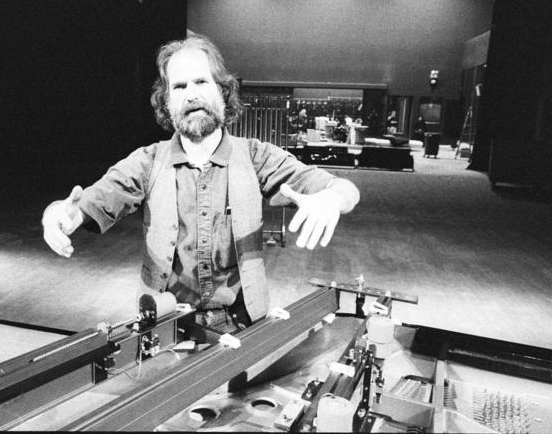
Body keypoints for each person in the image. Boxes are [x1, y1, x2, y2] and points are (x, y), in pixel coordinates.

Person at [42, 34, 359, 333]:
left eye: (201, 82)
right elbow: (96, 197)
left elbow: (343, 189)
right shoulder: (147, 161)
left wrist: (333, 198)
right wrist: (61, 214)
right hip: (164, 322)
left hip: (241, 323)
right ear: (166, 102)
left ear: (222, 92)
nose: (191, 93)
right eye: (179, 87)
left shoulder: (257, 157)